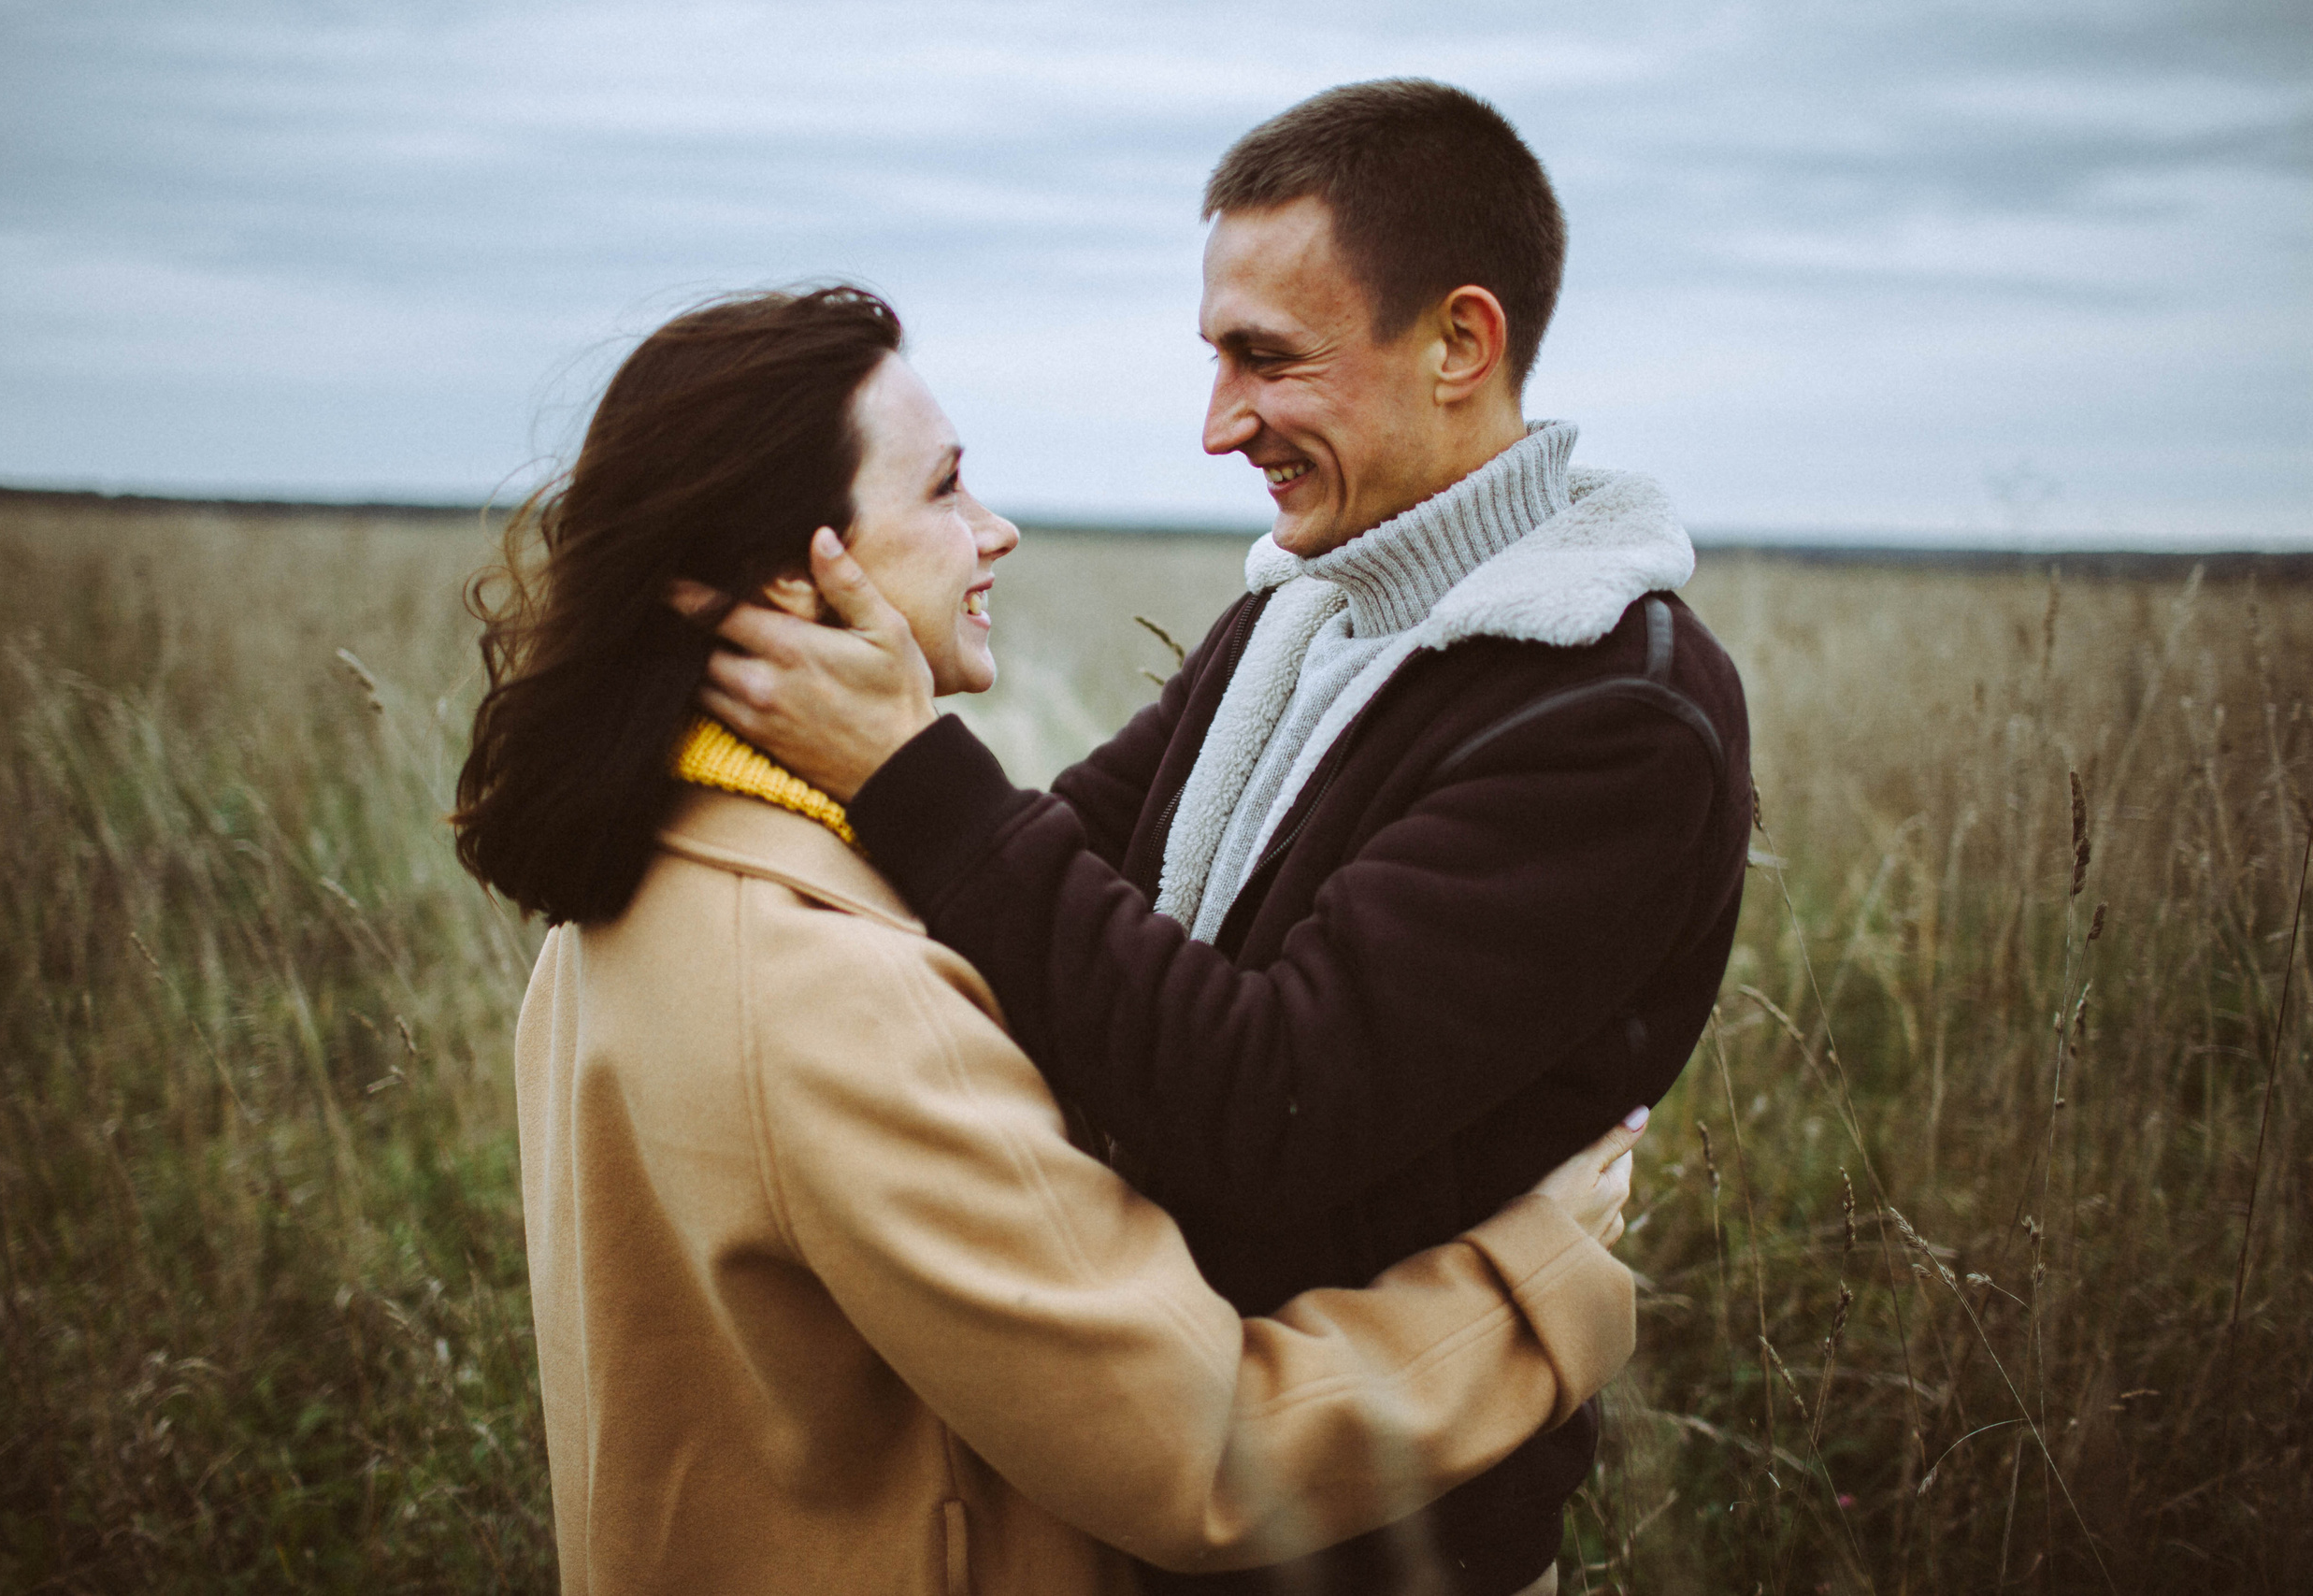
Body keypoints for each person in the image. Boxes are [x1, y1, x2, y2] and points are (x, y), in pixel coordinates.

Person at [678, 81, 1754, 1596]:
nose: (1219, 424)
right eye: (1216, 357)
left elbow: (1265, 1110)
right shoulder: (1305, 611)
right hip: (1157, 1470)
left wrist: (910, 768)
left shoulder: (1616, 717)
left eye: (1269, 359)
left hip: (1392, 1543)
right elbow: (1064, 875)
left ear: (1460, 344)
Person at [453, 285, 1648, 1595]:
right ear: (789, 575)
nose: (996, 529)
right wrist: (1536, 1276)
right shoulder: (830, 988)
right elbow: (1205, 1453)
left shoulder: (636, 883)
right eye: (945, 489)